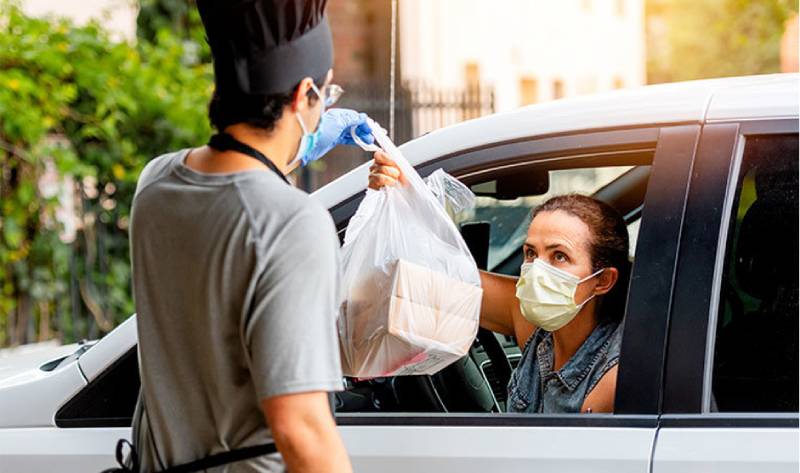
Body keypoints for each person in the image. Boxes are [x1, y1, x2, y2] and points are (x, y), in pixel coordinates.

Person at [128, 1, 367, 471]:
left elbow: (237, 187)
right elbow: (300, 427)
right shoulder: (294, 224)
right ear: (303, 96)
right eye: (327, 94)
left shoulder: (155, 184)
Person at [368, 151, 631, 414]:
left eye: (559, 256)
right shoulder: (536, 327)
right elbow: (439, 279)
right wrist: (399, 199)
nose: (537, 270)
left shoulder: (613, 376)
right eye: (530, 253)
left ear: (603, 280)